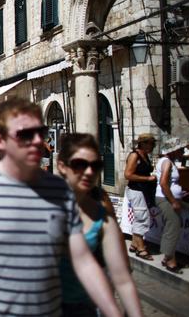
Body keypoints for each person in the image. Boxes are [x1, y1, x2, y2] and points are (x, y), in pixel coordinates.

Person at [0, 97, 121, 317]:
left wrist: (113, 311)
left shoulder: (60, 191)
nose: (37, 141)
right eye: (26, 134)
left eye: (40, 132)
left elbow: (82, 260)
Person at [57, 133, 143, 316]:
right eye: (80, 164)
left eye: (95, 166)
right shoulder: (40, 207)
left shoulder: (102, 217)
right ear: (62, 166)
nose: (89, 172)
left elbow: (122, 280)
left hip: (83, 308)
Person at [155, 137, 187, 273]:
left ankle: (168, 256)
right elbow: (163, 183)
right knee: (173, 226)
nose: (183, 151)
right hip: (166, 199)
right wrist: (173, 201)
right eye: (180, 149)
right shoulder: (167, 162)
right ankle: (170, 261)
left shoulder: (165, 161)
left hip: (165, 197)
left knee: (170, 227)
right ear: (174, 150)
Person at [124, 133, 157, 260]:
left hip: (143, 190)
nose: (153, 146)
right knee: (142, 218)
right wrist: (148, 178)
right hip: (136, 190)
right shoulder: (134, 155)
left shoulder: (145, 156)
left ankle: (133, 244)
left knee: (139, 217)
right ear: (143, 143)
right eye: (151, 143)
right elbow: (128, 175)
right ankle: (141, 248)